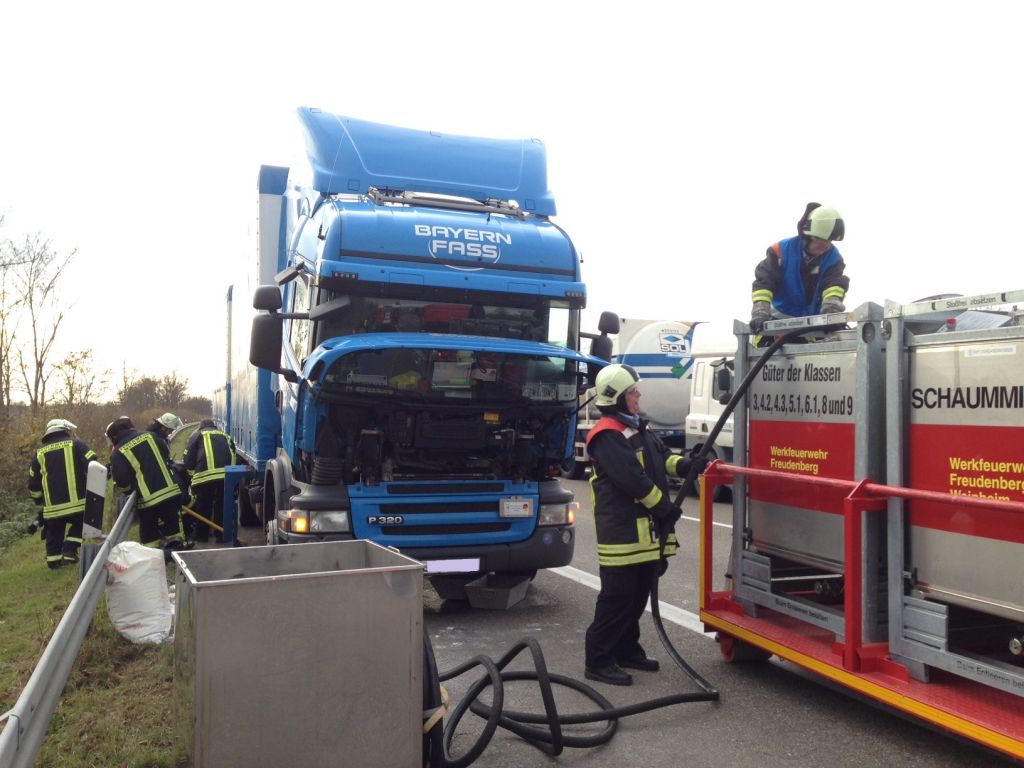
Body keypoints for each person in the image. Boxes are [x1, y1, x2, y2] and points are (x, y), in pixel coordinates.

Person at [583, 364, 707, 686]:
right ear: (617, 397)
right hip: (622, 534)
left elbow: (662, 459)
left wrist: (687, 465)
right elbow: (633, 480)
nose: (638, 395)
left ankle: (625, 649)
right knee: (617, 598)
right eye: (632, 391)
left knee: (638, 594)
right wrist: (665, 509)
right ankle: (598, 659)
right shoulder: (608, 435)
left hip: (645, 534)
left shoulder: (637, 428)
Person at [750, 202, 850, 334]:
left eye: (829, 241)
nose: (826, 246)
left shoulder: (833, 259)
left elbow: (834, 286)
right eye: (821, 240)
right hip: (775, 329)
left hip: (812, 330)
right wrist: (760, 311)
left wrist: (831, 314)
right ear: (808, 236)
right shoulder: (780, 251)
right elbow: (764, 284)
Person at [107, 416, 190, 560]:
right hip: (170, 492)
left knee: (150, 538)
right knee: (174, 530)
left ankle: (154, 561)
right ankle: (177, 555)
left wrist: (131, 489)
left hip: (147, 500)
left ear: (114, 436)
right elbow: (165, 455)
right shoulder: (151, 436)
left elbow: (122, 482)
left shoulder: (118, 452)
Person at [27, 419, 99, 569]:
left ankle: (53, 563)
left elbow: (33, 483)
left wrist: (39, 501)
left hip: (52, 510)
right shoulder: (76, 444)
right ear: (65, 430)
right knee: (81, 524)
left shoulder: (39, 454)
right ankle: (69, 551)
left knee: (54, 534)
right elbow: (93, 465)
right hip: (78, 505)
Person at [183, 419, 236, 542]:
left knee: (203, 507)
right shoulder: (225, 435)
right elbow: (233, 455)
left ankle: (202, 536)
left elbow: (188, 462)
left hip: (204, 478)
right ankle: (221, 535)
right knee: (222, 507)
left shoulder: (196, 435)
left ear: (200, 427)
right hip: (226, 477)